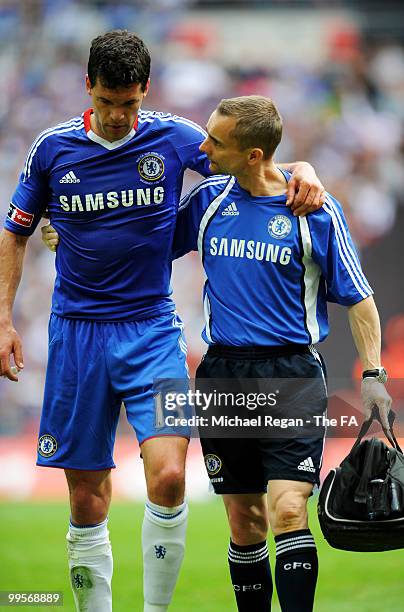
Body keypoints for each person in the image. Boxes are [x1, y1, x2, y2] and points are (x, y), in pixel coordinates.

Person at [0, 32, 326, 612]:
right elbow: (16, 231)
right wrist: (3, 320)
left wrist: (304, 166)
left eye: (128, 103)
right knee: (85, 499)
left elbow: (252, 160)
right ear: (88, 89)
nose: (118, 115)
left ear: (144, 90)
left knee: (171, 476)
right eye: (106, 102)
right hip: (76, 330)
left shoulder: (173, 139)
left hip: (152, 328)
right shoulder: (51, 150)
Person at [167, 96, 391, 611]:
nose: (204, 148)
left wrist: (374, 374)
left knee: (289, 509)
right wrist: (67, 235)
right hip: (222, 374)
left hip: (290, 372)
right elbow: (144, 239)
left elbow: (359, 300)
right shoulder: (207, 202)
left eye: (216, 142)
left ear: (252, 155)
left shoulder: (313, 211)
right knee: (244, 521)